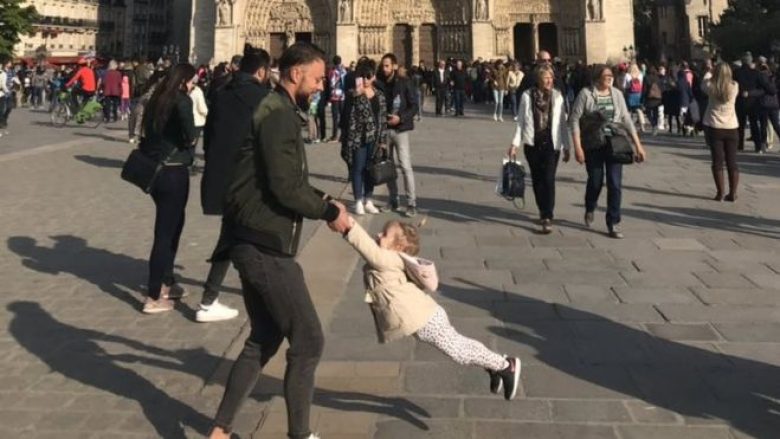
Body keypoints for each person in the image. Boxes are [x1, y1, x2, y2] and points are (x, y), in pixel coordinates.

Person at [207, 42, 351, 439]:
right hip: (263, 242)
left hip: (251, 236)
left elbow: (288, 180)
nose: (323, 85)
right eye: (319, 78)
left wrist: (326, 201)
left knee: (264, 337)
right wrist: (328, 212)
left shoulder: (279, 109)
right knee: (308, 342)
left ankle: (220, 432)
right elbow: (286, 187)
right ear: (295, 73)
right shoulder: (277, 114)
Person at [342, 218, 522, 400]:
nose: (378, 235)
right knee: (460, 345)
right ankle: (494, 365)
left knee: (459, 352)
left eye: (385, 235)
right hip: (424, 316)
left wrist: (349, 226)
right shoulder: (388, 259)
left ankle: (506, 366)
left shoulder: (388, 258)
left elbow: (368, 249)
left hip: (425, 318)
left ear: (398, 247)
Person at [198, 47, 271, 323]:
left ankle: (210, 298)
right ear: (262, 72)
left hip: (222, 177)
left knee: (232, 236)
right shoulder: (263, 97)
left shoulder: (220, 93)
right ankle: (213, 299)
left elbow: (209, 138)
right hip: (249, 179)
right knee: (253, 236)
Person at [138, 64, 198, 314]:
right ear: (183, 81)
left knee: (172, 227)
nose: (194, 85)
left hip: (157, 172)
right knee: (165, 233)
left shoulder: (156, 99)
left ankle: (167, 282)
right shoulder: (181, 101)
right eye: (192, 81)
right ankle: (153, 295)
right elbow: (191, 136)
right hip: (173, 172)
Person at [570, 64, 647, 239]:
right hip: (593, 144)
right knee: (596, 181)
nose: (610, 78)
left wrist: (638, 145)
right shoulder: (585, 94)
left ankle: (613, 222)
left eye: (611, 76)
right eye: (606, 76)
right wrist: (577, 147)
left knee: (615, 183)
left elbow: (626, 119)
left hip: (615, 142)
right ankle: (590, 206)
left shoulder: (617, 94)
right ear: (597, 77)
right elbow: (574, 119)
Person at [508, 65, 571, 234]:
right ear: (538, 79)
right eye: (546, 77)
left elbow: (563, 124)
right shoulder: (527, 97)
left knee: (549, 178)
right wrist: (515, 144)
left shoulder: (558, 96)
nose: (550, 80)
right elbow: (521, 121)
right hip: (533, 143)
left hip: (552, 143)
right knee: (537, 179)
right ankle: (542, 208)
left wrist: (567, 146)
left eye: (551, 77)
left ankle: (547, 214)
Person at [378, 53, 420, 217]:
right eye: (383, 65)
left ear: (394, 66)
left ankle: (411, 203)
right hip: (385, 130)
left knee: (405, 166)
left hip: (400, 130)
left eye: (387, 65)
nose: (384, 68)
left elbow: (414, 106)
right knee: (388, 167)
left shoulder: (404, 83)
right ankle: (393, 199)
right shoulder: (379, 83)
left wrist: (400, 118)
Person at [344, 58, 387, 215]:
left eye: (370, 76)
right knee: (358, 168)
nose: (367, 80)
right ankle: (358, 201)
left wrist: (383, 140)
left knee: (371, 169)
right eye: (364, 76)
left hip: (375, 139)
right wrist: (355, 94)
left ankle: (368, 199)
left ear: (374, 76)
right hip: (358, 138)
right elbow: (347, 112)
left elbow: (382, 119)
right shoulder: (354, 94)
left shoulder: (380, 95)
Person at [702, 63, 740, 202]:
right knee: (732, 162)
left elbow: (703, 82)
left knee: (717, 161)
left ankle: (720, 193)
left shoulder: (711, 87)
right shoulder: (734, 86)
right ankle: (733, 193)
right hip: (731, 127)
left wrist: (709, 71)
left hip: (715, 126)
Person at [328, 55, 347, 141]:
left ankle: (334, 135)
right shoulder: (343, 71)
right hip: (342, 95)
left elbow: (332, 84)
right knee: (343, 116)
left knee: (335, 117)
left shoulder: (333, 72)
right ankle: (343, 135)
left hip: (335, 96)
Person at [642, 66, 663, 136]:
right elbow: (661, 88)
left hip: (649, 97)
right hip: (657, 98)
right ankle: (655, 126)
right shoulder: (657, 78)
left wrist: (643, 98)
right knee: (655, 113)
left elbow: (644, 89)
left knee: (648, 113)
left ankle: (654, 125)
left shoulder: (646, 78)